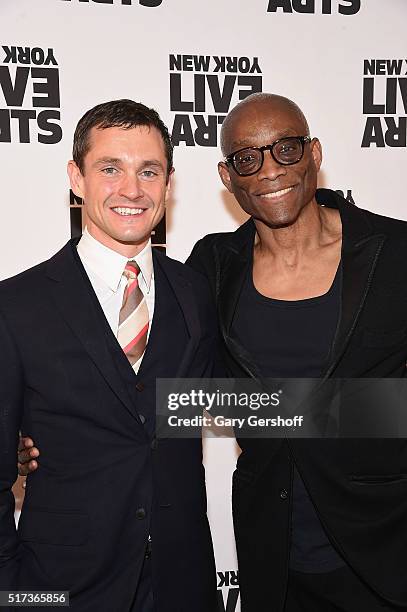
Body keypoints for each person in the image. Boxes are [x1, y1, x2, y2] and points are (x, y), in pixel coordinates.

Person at [20, 92, 407, 611]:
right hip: (274, 552)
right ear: (228, 178)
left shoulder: (396, 252)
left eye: (287, 149)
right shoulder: (211, 269)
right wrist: (45, 434)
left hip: (386, 546)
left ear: (315, 153)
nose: (270, 170)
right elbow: (178, 399)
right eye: (248, 158)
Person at [1, 99, 218, 611]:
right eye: (110, 169)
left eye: (149, 171)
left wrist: (373, 407)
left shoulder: (195, 292)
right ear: (76, 178)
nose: (132, 190)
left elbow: (231, 402)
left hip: (182, 585)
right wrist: (21, 594)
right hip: (62, 587)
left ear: (168, 182)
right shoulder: (14, 307)